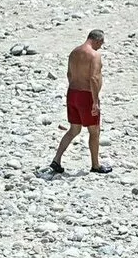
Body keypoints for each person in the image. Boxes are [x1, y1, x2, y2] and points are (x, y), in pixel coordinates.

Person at [49, 30, 112, 175]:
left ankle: (57, 159)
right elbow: (94, 78)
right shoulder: (94, 55)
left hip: (72, 93)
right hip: (86, 96)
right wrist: (95, 102)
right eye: (101, 44)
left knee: (74, 129)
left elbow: (69, 74)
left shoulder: (74, 52)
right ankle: (95, 165)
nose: (100, 47)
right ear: (96, 40)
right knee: (94, 131)